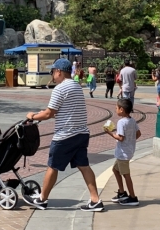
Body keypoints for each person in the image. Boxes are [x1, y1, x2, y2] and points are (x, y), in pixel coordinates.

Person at [25, 57, 102, 211]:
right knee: (84, 166)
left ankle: (42, 199)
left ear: (59, 72)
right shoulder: (76, 85)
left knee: (52, 166)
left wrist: (32, 116)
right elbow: (62, 110)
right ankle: (95, 200)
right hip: (81, 133)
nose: (52, 75)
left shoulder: (59, 89)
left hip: (65, 135)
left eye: (53, 71)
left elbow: (49, 114)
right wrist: (46, 113)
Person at [106, 97, 142, 206]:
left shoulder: (121, 122)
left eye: (116, 108)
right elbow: (138, 133)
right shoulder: (132, 120)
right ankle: (122, 192)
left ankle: (133, 197)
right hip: (128, 151)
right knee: (115, 170)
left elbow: (120, 138)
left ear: (121, 109)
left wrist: (110, 133)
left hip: (123, 153)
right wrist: (131, 141)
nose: (115, 109)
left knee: (126, 175)